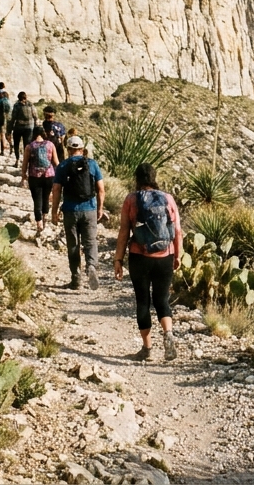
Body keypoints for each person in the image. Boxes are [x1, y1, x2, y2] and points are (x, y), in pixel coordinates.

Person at [115, 163, 182, 362]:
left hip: (139, 256)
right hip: (165, 256)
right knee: (162, 299)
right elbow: (177, 230)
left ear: (137, 179)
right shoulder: (168, 198)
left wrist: (118, 259)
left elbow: (124, 232)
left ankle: (147, 348)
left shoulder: (131, 199)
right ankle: (168, 333)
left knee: (142, 301)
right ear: (154, 177)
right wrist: (178, 254)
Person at [51, 136, 105, 290]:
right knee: (90, 241)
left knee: (73, 245)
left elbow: (56, 189)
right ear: (82, 149)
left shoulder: (63, 166)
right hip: (90, 210)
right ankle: (91, 266)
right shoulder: (92, 164)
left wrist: (54, 212)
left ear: (68, 149)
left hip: (70, 211)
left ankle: (76, 280)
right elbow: (101, 189)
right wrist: (100, 208)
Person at [20, 126, 59, 234]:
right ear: (43, 133)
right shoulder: (50, 145)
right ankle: (45, 218)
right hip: (49, 176)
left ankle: (39, 225)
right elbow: (56, 162)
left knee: (37, 200)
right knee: (46, 198)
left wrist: (23, 175)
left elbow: (25, 163)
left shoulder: (29, 146)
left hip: (34, 177)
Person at [9, 91, 37, 163]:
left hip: (18, 127)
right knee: (27, 145)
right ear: (26, 97)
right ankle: (26, 161)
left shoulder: (17, 105)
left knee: (16, 144)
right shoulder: (31, 104)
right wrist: (35, 126)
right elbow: (35, 116)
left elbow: (13, 117)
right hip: (29, 127)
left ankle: (17, 160)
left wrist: (10, 128)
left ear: (18, 98)